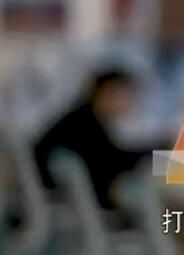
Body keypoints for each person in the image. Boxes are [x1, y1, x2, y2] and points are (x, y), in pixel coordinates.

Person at [34, 67, 148, 210]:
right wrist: (162, 156)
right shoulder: (83, 124)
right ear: (107, 92)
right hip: (72, 205)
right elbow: (114, 161)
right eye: (126, 95)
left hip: (66, 201)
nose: (131, 102)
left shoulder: (82, 119)